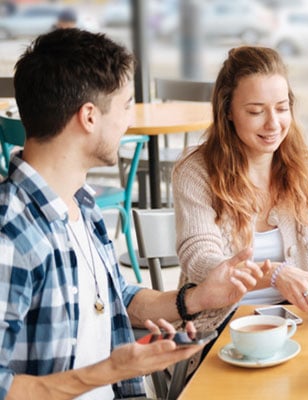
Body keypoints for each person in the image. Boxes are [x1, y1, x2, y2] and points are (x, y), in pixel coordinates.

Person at [0, 28, 264, 399]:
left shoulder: (82, 206)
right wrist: (107, 371)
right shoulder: (10, 234)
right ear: (89, 116)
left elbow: (115, 296)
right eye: (125, 105)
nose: (129, 120)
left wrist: (196, 298)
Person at [172, 45, 308, 332]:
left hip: (299, 325)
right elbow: (201, 260)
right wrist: (274, 274)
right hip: (222, 331)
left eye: (282, 108)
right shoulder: (195, 172)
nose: (273, 123)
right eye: (256, 111)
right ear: (228, 111)